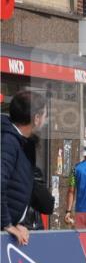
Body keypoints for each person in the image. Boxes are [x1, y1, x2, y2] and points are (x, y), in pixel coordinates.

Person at [1, 91, 46, 245]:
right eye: (44, 115)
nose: (45, 120)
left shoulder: (22, 141)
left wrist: (17, 222)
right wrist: (6, 224)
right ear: (36, 118)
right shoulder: (9, 141)